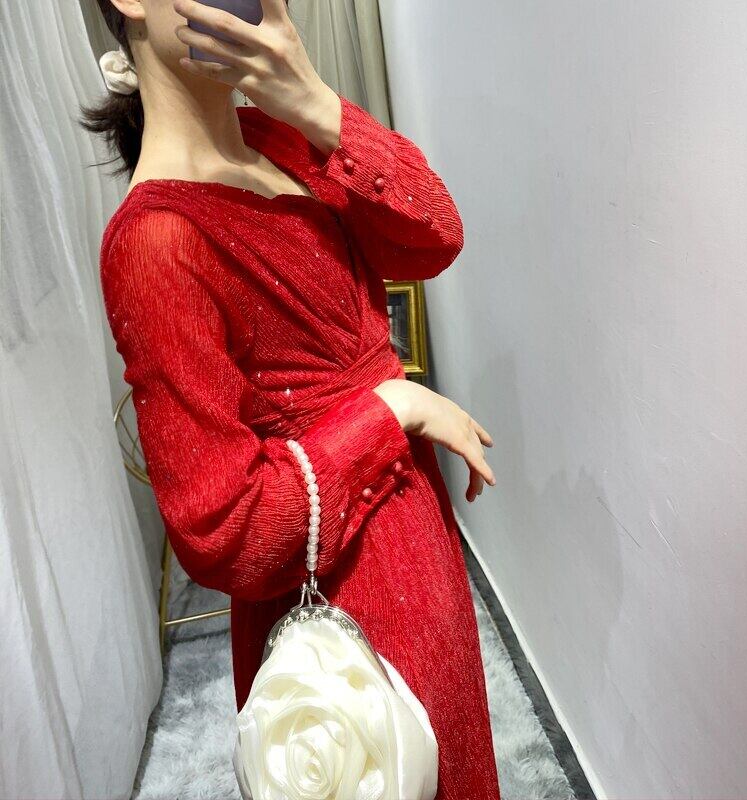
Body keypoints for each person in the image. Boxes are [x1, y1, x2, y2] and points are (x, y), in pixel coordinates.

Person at [82, 0, 501, 796]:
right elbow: (228, 533)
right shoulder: (155, 240)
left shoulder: (280, 137)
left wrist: (314, 102)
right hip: (340, 599)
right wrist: (393, 410)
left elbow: (435, 234)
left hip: (420, 535)